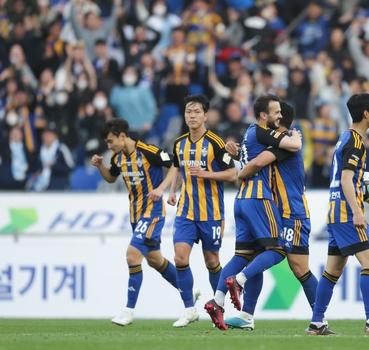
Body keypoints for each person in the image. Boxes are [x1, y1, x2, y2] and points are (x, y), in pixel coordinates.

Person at [203, 94, 302, 331]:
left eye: (281, 112)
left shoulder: (249, 133)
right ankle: (239, 280)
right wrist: (296, 135)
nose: (279, 116)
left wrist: (236, 156)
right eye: (275, 112)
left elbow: (247, 155)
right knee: (278, 250)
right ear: (263, 115)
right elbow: (294, 146)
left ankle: (219, 302)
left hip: (241, 200)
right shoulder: (262, 132)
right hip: (258, 197)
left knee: (245, 256)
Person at [307, 93, 369, 336]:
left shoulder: (344, 137)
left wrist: (365, 195)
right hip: (347, 213)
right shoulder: (357, 142)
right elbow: (346, 179)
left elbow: (347, 180)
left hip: (335, 210)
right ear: (366, 113)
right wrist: (358, 211)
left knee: (333, 270)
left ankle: (317, 323)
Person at [223, 101, 318, 331]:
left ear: (278, 120)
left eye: (276, 114)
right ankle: (246, 315)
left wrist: (240, 175)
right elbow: (256, 157)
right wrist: (235, 153)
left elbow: (256, 162)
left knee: (298, 267)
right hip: (278, 211)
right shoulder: (280, 144)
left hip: (293, 213)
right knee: (259, 254)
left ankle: (320, 318)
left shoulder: (288, 144)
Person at [148, 95, 236, 328]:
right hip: (186, 211)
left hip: (212, 213)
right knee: (180, 258)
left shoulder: (217, 143)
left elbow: (232, 174)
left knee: (211, 261)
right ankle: (189, 309)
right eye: (189, 111)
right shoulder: (179, 143)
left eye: (197, 111)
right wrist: (172, 191)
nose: (192, 115)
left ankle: (218, 305)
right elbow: (177, 168)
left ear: (206, 115)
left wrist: (205, 174)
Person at [91, 118, 181, 326]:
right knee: (155, 261)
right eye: (107, 142)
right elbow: (112, 178)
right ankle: (188, 289)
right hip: (135, 216)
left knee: (132, 256)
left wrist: (161, 189)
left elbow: (175, 164)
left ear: (123, 136)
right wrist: (100, 166)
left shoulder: (148, 151)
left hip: (153, 213)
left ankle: (128, 311)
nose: (109, 145)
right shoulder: (117, 157)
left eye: (111, 141)